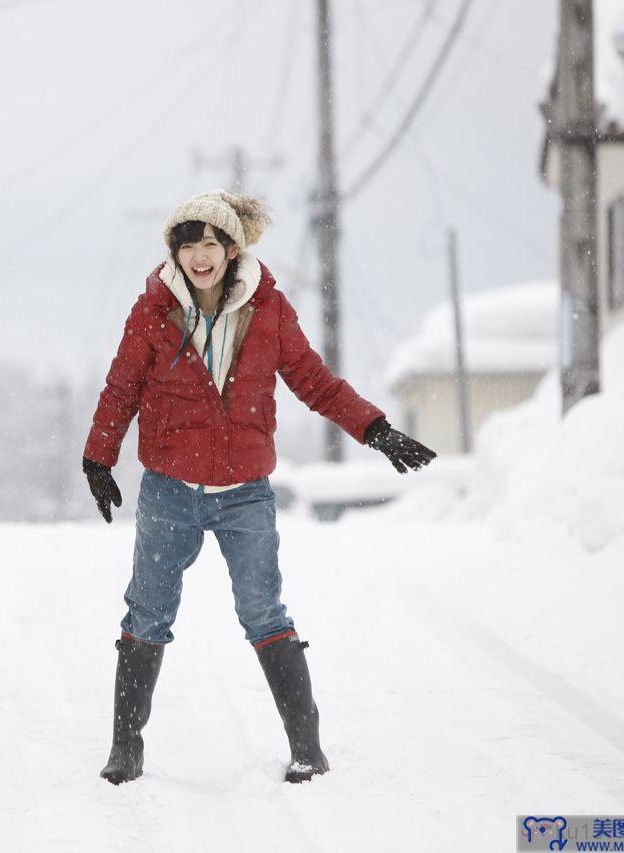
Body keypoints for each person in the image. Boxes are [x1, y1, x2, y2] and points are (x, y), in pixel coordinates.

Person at [82, 190, 435, 785]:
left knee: (263, 610)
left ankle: (307, 749)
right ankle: (126, 750)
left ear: (231, 248)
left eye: (211, 243)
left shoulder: (268, 309)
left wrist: (376, 430)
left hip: (245, 492)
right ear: (175, 251)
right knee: (147, 611)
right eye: (188, 244)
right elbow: (121, 388)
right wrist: (99, 457)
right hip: (170, 488)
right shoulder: (153, 311)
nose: (200, 256)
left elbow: (314, 382)